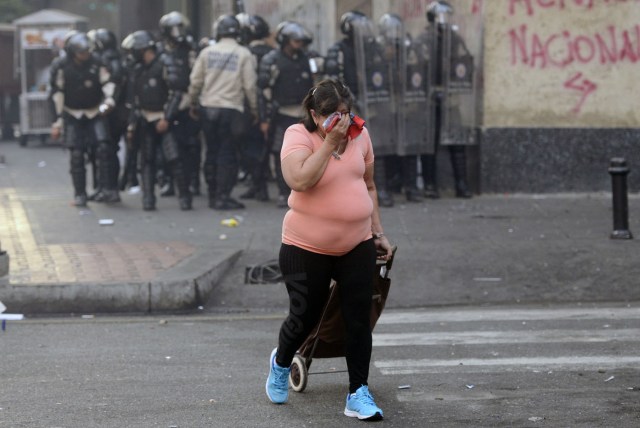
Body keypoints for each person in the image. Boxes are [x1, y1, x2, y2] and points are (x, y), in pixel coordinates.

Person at [265, 78, 392, 421]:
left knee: (357, 318)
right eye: (332, 115)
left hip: (357, 243)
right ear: (313, 114)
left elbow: (368, 184)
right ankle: (280, 363)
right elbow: (300, 180)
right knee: (305, 316)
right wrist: (330, 142)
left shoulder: (360, 135)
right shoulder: (298, 135)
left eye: (345, 113)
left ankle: (358, 393)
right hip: (305, 246)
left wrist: (377, 231)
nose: (342, 121)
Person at [188, 14, 258, 210]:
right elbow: (250, 86)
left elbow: (195, 82)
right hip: (231, 109)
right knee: (227, 154)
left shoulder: (206, 53)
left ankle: (211, 195)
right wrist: (254, 110)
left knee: (211, 151)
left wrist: (193, 104)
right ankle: (223, 196)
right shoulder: (244, 54)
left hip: (208, 108)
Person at [121, 30, 193, 211]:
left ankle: (185, 197)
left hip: (163, 119)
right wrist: (132, 125)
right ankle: (148, 199)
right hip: (145, 119)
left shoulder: (164, 64)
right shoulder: (138, 70)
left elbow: (176, 92)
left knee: (174, 158)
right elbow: (135, 100)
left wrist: (167, 117)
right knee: (146, 161)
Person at [49, 31, 117, 207]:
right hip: (72, 113)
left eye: (87, 51)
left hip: (94, 111)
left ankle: (105, 189)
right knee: (77, 154)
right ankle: (80, 193)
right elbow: (57, 92)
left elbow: (108, 83)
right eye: (81, 52)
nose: (85, 55)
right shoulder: (61, 66)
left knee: (103, 148)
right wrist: (58, 121)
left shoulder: (98, 62)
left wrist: (109, 100)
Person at [257, 21, 314, 208]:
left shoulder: (306, 59)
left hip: (303, 112)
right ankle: (283, 192)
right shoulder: (271, 60)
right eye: (294, 40)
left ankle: (303, 191)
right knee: (279, 151)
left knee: (306, 151)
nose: (298, 44)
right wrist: (264, 118)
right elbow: (263, 91)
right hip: (280, 113)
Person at [419, 0, 472, 198]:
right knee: (429, 144)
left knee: (457, 142)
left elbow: (465, 61)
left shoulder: (454, 39)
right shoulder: (424, 39)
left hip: (451, 96)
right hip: (430, 99)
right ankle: (430, 185)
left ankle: (461, 184)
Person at [159, 11, 203, 197]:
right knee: (167, 146)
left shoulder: (191, 49)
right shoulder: (160, 50)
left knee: (192, 144)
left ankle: (193, 181)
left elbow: (197, 75)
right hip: (166, 102)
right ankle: (168, 180)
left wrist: (195, 101)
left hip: (187, 101)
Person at [236, 13, 274, 202]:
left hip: (251, 106)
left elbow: (248, 85)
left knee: (250, 146)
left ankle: (257, 184)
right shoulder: (273, 52)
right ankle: (260, 185)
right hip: (273, 105)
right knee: (269, 147)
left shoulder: (244, 54)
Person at [87, 28, 127, 203]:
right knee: (110, 150)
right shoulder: (118, 60)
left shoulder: (105, 61)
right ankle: (107, 188)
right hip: (117, 113)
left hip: (108, 112)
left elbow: (110, 89)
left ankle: (107, 188)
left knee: (105, 151)